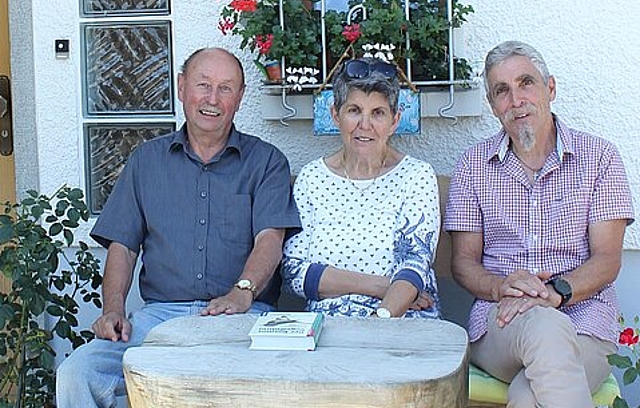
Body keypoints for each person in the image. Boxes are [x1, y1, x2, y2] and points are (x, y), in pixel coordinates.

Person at [56, 47, 301, 408]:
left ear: (240, 97)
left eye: (225, 88)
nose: (212, 99)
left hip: (240, 317)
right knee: (78, 372)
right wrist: (113, 310)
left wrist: (242, 292)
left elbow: (270, 239)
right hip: (158, 320)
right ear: (182, 86)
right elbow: (122, 246)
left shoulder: (266, 162)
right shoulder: (146, 160)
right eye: (203, 85)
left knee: (279, 382)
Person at [445, 40, 634, 407]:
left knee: (527, 395)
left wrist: (556, 292)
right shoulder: (473, 165)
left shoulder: (600, 158)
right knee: (544, 326)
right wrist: (502, 286)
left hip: (584, 321)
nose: (516, 100)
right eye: (502, 91)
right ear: (492, 105)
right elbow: (463, 263)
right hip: (502, 321)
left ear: (550, 88)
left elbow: (608, 259)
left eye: (526, 83)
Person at [282, 57, 440, 319]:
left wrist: (379, 319)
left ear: (395, 120)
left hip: (400, 320)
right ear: (335, 115)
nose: (364, 125)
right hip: (328, 324)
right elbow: (294, 271)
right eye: (354, 110)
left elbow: (414, 265)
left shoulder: (416, 176)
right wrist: (380, 286)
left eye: (377, 113)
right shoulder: (312, 178)